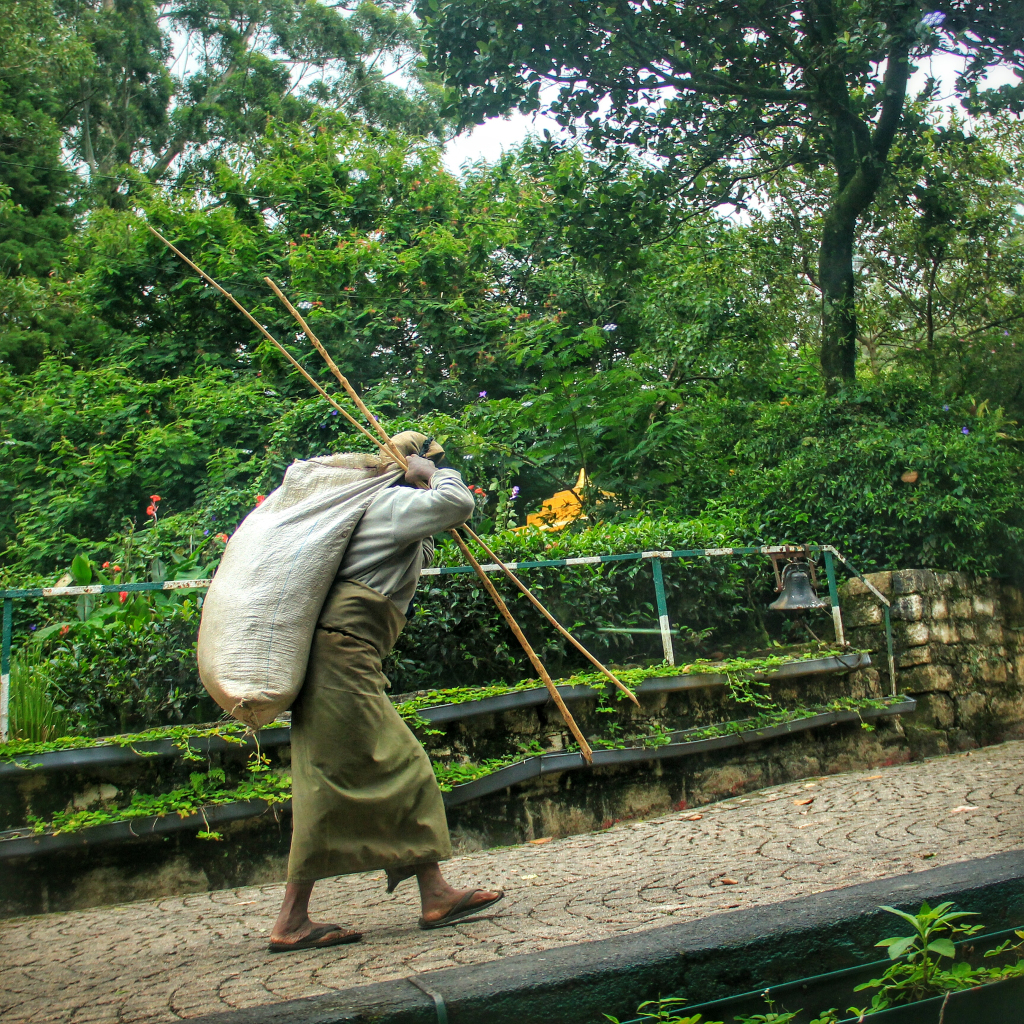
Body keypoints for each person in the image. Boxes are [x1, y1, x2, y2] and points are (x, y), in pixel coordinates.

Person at [269, 431, 503, 953]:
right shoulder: (392, 502)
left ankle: (432, 893)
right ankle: (294, 919)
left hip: (346, 653)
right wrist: (431, 474)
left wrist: (424, 474)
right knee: (398, 767)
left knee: (331, 776)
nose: (439, 468)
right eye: (430, 461)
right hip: (341, 654)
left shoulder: (384, 510)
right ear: (406, 466)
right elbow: (457, 502)